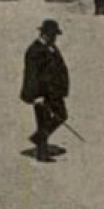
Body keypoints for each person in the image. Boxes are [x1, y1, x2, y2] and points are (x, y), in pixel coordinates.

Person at [21, 20, 70, 162]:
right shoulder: (34, 50)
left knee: (61, 115)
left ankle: (39, 138)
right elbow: (31, 74)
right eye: (53, 35)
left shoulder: (51, 48)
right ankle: (42, 154)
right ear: (45, 34)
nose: (55, 38)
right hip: (41, 93)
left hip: (54, 92)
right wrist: (35, 96)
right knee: (43, 121)